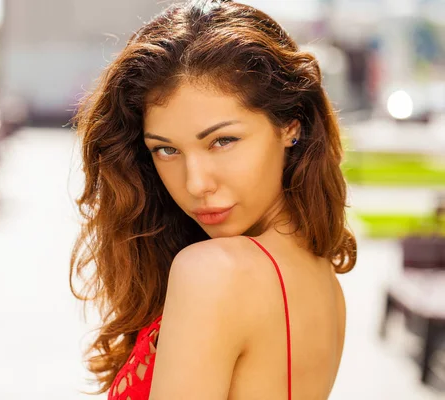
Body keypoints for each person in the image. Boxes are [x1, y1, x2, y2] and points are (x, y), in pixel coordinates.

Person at [70, 1, 357, 399]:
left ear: (291, 126)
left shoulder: (215, 272)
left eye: (223, 141)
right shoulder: (319, 273)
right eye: (166, 150)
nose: (196, 183)